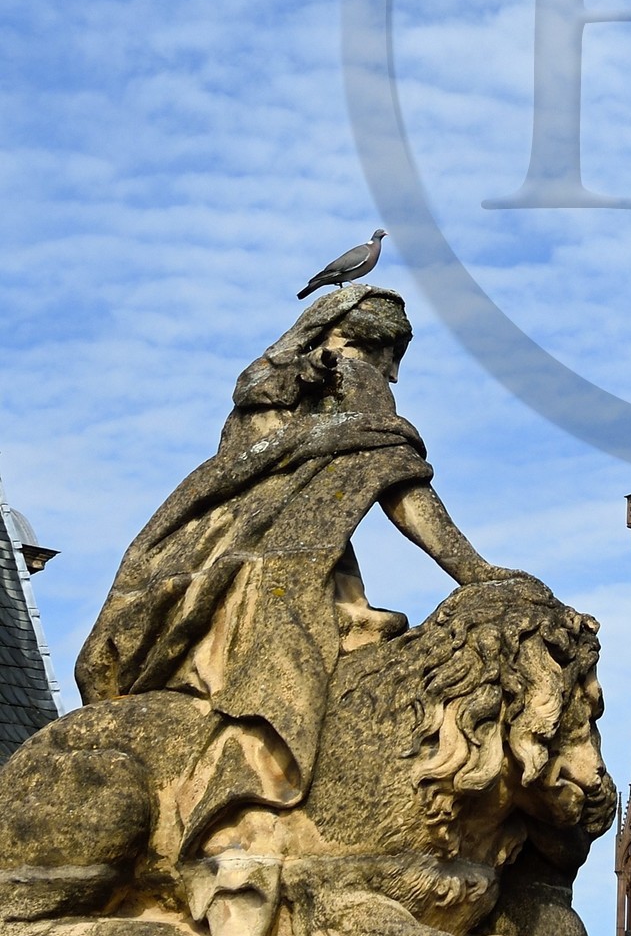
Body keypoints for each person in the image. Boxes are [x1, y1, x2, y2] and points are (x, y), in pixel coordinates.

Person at [76, 286, 501, 853]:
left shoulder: (269, 381)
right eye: (390, 354)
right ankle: (254, 797)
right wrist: (476, 571)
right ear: (362, 344)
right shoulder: (351, 378)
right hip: (278, 563)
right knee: (296, 658)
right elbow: (404, 490)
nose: (393, 374)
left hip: (238, 550)